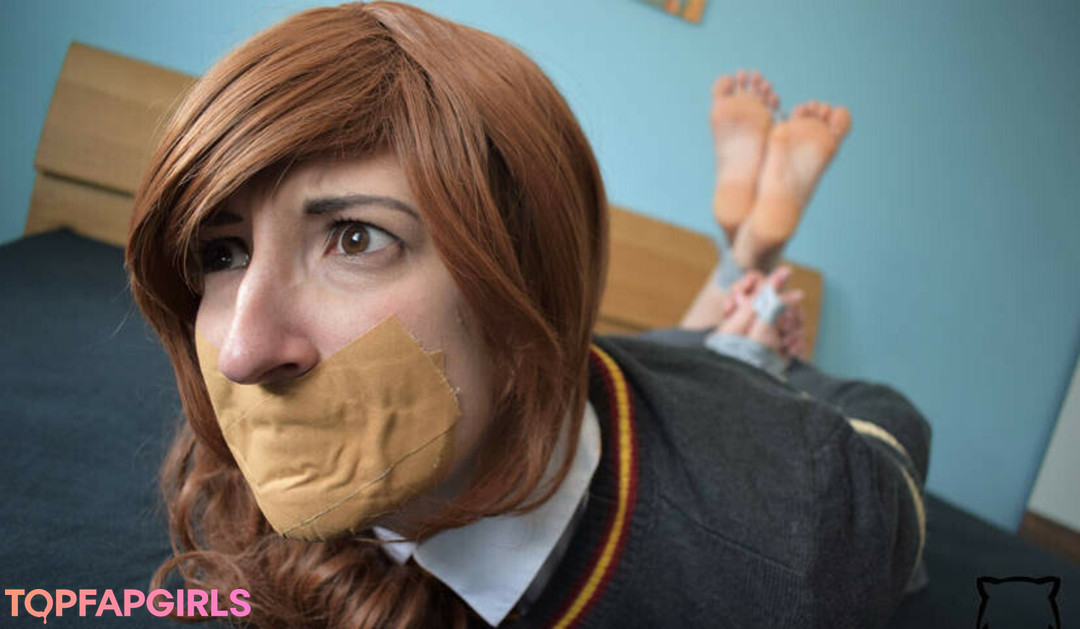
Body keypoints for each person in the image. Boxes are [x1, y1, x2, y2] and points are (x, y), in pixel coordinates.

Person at [124, 3, 930, 628]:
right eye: (223, 252)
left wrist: (777, 384)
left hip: (741, 428)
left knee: (738, 363)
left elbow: (887, 436)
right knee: (692, 348)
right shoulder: (252, 464)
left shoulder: (801, 536)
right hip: (604, 367)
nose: (240, 353)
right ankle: (745, 260)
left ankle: (749, 282)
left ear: (523, 281)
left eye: (355, 237)